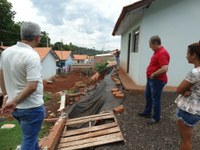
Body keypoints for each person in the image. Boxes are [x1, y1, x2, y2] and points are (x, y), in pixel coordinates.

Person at [0, 22, 45, 150]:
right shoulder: (31, 55)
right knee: (29, 140)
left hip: (17, 108)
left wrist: (6, 96)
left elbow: (1, 75)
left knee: (30, 136)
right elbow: (32, 86)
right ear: (37, 37)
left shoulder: (6, 52)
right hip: (31, 107)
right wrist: (14, 101)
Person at [138, 35, 170, 124]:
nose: (150, 47)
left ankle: (156, 118)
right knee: (148, 96)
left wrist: (153, 74)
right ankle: (147, 112)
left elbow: (164, 68)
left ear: (155, 43)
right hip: (151, 79)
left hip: (157, 80)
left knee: (156, 99)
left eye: (150, 45)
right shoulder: (157, 52)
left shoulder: (162, 53)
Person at [175, 41, 200, 150]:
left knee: (185, 140)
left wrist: (184, 91)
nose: (186, 56)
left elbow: (179, 89)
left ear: (194, 55)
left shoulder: (195, 72)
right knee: (188, 138)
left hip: (188, 110)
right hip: (197, 109)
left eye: (188, 53)